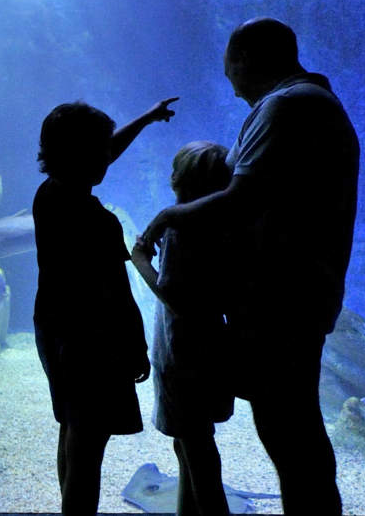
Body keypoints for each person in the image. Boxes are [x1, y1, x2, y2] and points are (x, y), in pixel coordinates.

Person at [141, 17, 359, 514]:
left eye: (230, 71)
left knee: (290, 434)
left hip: (283, 303)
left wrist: (169, 216)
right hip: (292, 298)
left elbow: (241, 199)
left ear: (243, 60)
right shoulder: (311, 103)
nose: (232, 86)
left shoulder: (285, 105)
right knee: (291, 431)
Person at [32, 96, 178, 515]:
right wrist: (135, 347)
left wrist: (146, 118)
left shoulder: (49, 195)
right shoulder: (97, 221)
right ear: (82, 156)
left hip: (55, 331)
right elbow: (114, 292)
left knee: (73, 430)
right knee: (89, 443)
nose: (108, 156)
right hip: (92, 341)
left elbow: (105, 150)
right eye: (99, 149)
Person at [131, 141, 237, 516]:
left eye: (176, 170)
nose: (170, 176)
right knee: (190, 445)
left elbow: (174, 296)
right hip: (212, 345)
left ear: (183, 181)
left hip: (183, 352)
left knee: (197, 448)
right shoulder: (223, 225)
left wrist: (139, 259)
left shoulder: (180, 230)